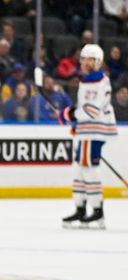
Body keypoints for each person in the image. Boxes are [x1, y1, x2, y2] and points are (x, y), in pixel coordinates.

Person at [59, 44, 118, 229]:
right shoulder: (89, 80)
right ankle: (81, 208)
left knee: (88, 169)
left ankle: (97, 211)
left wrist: (69, 114)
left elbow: (91, 110)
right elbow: (87, 110)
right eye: (82, 58)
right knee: (79, 169)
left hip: (94, 130)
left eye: (87, 59)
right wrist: (77, 123)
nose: (83, 62)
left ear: (97, 61)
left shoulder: (96, 80)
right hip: (88, 130)